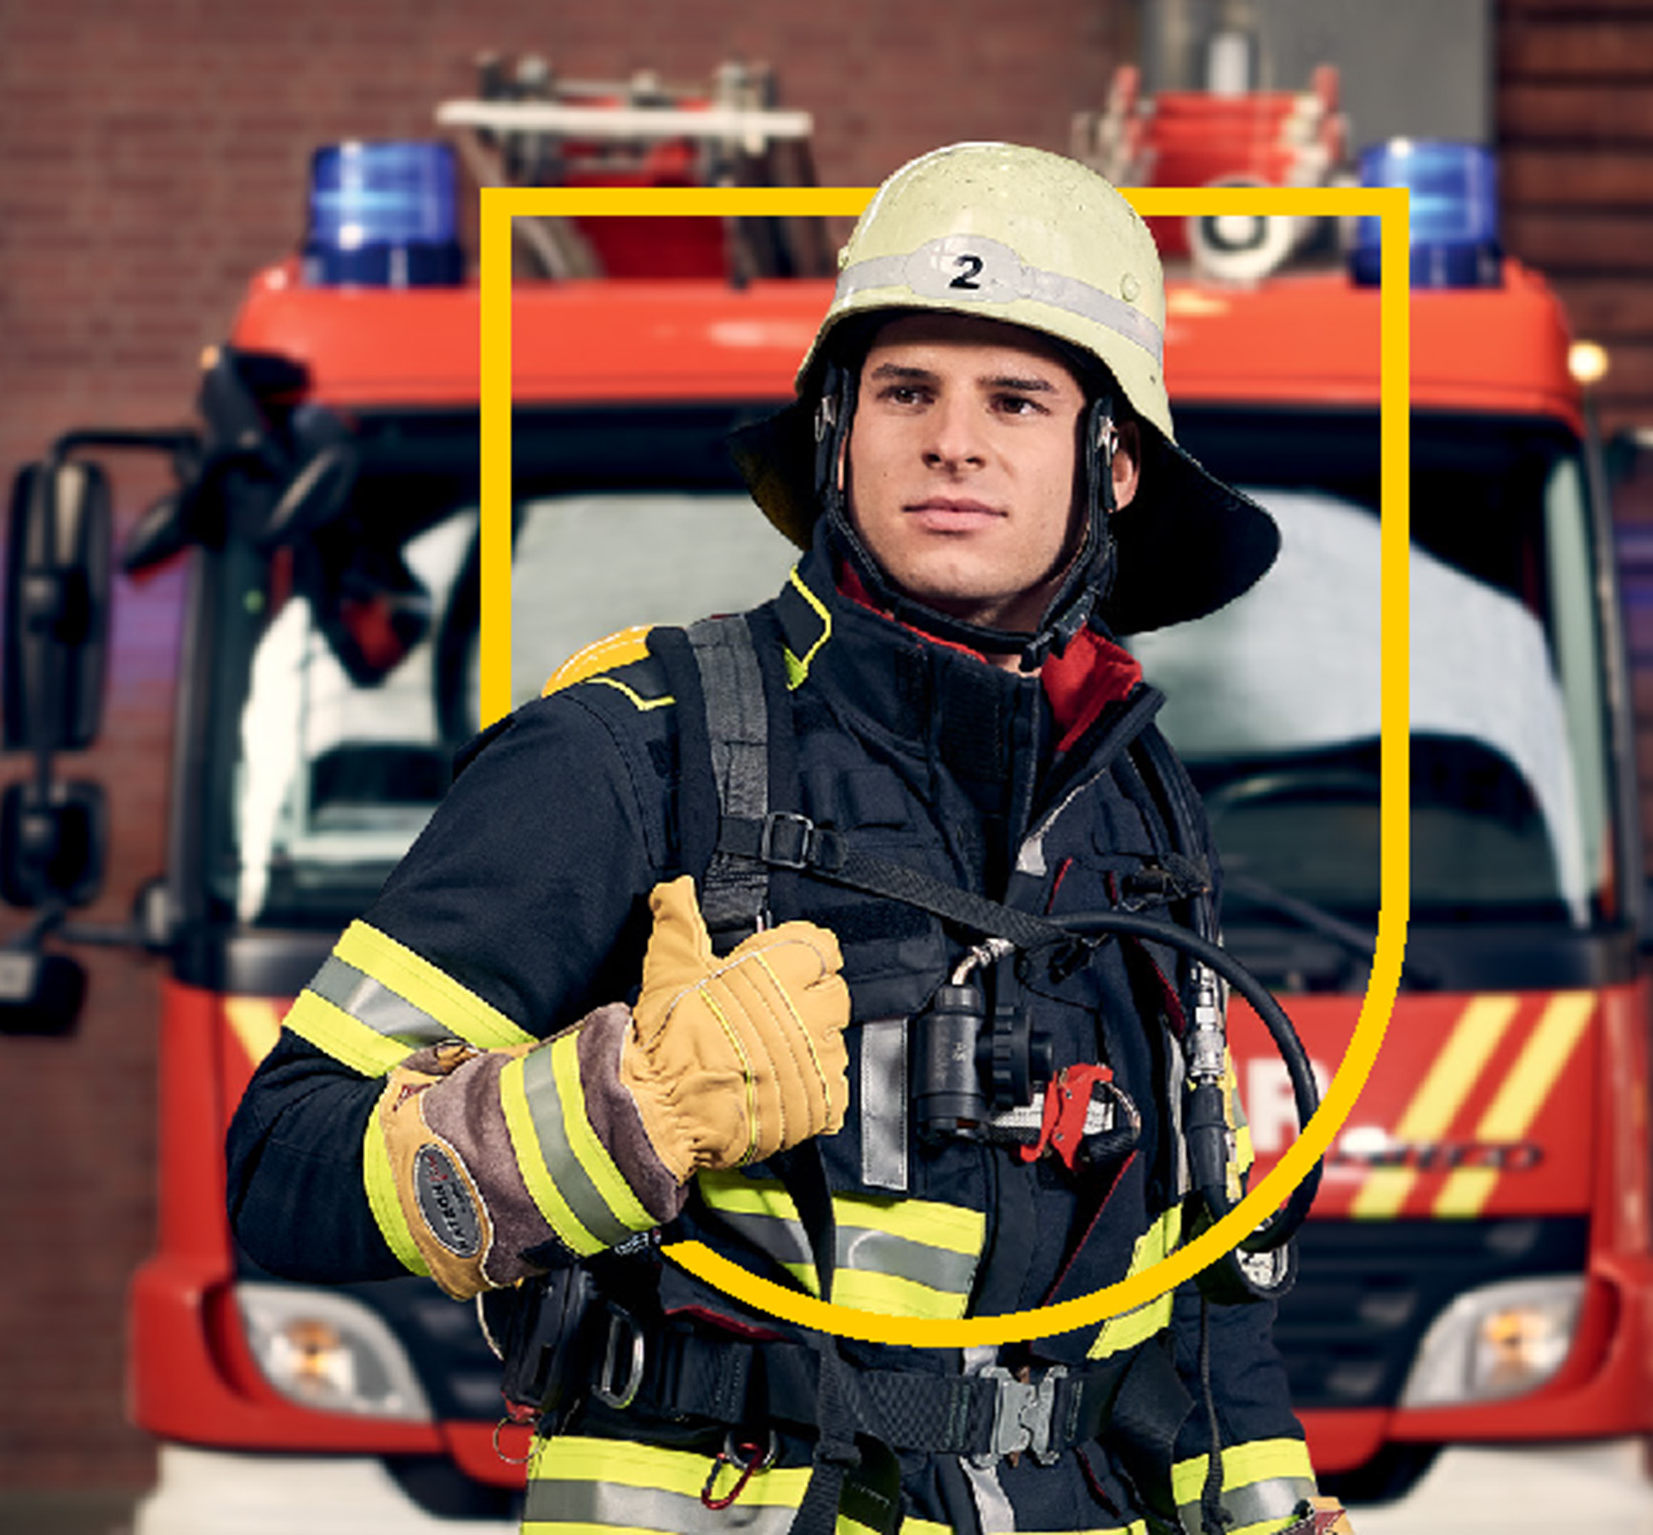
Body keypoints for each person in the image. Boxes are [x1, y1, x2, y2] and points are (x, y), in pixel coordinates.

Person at [226, 141, 1351, 1535]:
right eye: (904, 392)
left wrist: (1271, 1512)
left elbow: (1195, 1288)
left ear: (1110, 465)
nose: (954, 440)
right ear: (836, 430)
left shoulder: (1138, 805)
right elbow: (283, 1169)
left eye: (1016, 399)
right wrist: (626, 1111)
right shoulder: (630, 750)